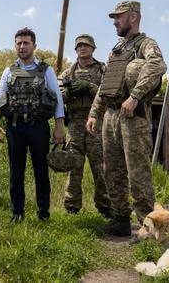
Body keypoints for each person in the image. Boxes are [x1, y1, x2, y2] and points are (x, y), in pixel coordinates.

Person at [86, 1, 167, 236]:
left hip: (134, 116)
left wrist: (135, 96)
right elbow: (106, 83)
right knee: (112, 169)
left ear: (133, 17)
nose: (114, 21)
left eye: (119, 17)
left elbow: (157, 66)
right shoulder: (118, 48)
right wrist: (94, 113)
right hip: (110, 116)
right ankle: (120, 218)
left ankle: (147, 225)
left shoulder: (146, 45)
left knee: (138, 171)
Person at [0, 27, 66, 223]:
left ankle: (43, 213)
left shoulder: (46, 70)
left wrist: (59, 127)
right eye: (19, 43)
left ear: (34, 45)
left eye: (26, 43)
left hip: (39, 127)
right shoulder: (9, 71)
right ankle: (17, 213)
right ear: (15, 46)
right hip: (15, 128)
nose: (22, 46)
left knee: (41, 170)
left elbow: (57, 99)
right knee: (16, 172)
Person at [59, 34, 111, 218]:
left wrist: (90, 87)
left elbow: (110, 93)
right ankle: (72, 205)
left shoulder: (103, 69)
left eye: (86, 45)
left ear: (93, 48)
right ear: (75, 50)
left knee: (101, 166)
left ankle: (105, 205)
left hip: (96, 121)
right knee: (74, 166)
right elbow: (57, 97)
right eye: (79, 46)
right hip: (75, 123)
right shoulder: (67, 73)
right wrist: (69, 92)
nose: (82, 48)